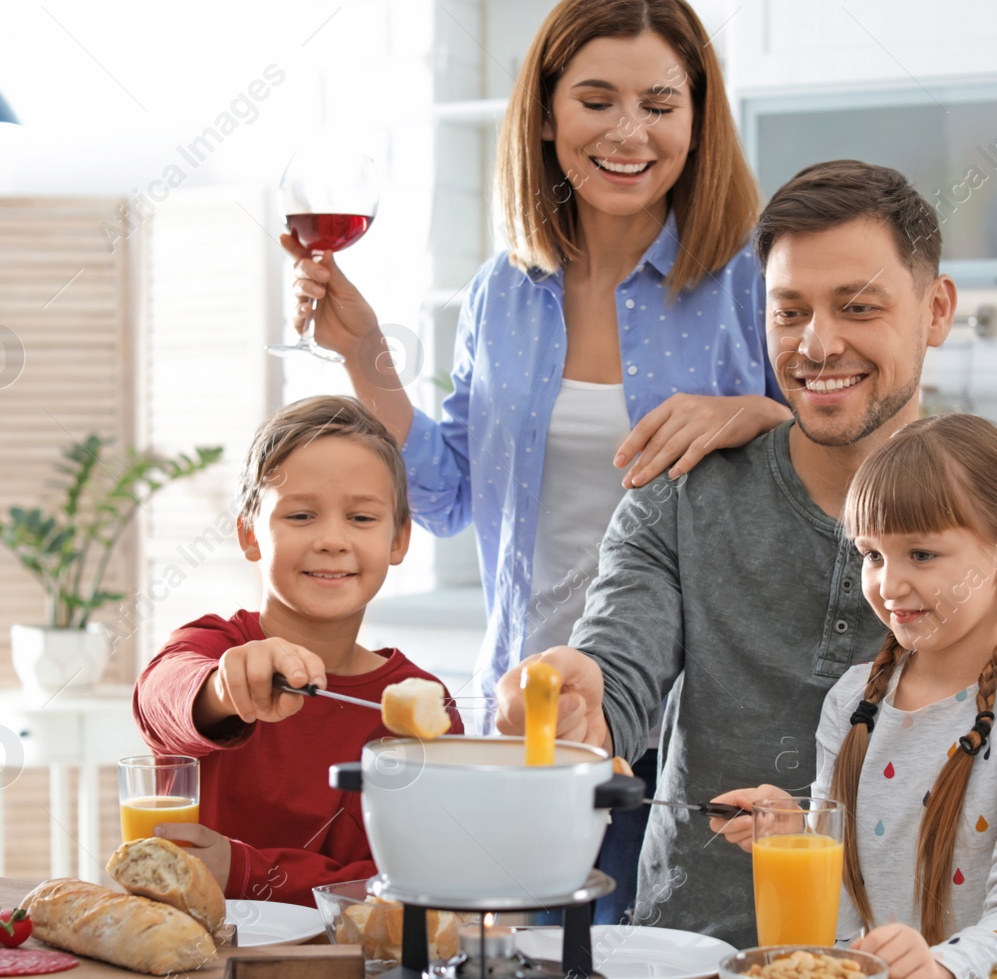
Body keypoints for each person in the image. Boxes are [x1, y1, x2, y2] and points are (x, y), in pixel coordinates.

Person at [496, 160, 997, 970]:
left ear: (936, 310)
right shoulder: (682, 498)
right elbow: (617, 678)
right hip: (693, 978)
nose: (818, 343)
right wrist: (581, 699)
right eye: (790, 312)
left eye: (858, 307)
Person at [281, 0, 787, 922]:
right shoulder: (500, 293)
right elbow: (444, 500)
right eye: (597, 100)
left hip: (695, 727)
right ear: (547, 115)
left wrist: (755, 412)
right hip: (530, 722)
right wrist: (367, 356)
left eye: (660, 105)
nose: (629, 132)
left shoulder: (750, 281)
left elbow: (835, 479)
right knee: (535, 978)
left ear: (699, 121)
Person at [709, 413, 997, 979]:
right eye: (872, 556)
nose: (888, 586)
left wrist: (940, 967)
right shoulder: (853, 700)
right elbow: (846, 890)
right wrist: (796, 831)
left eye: (920, 554)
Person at [132, 396, 461, 906]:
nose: (332, 539)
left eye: (361, 518)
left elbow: (416, 882)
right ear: (249, 534)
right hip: (196, 965)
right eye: (301, 515)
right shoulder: (211, 647)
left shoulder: (422, 705)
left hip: (354, 969)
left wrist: (241, 869)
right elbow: (159, 697)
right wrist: (223, 687)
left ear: (399, 540)